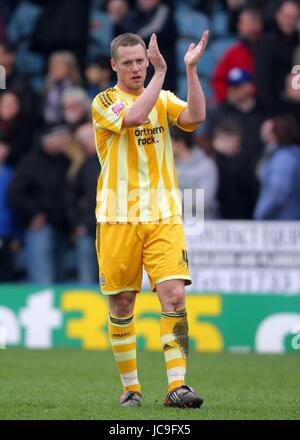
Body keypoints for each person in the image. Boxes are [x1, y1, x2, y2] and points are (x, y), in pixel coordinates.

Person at [92, 31, 208, 408]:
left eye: (141, 60)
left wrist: (189, 71)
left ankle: (177, 386)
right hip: (117, 217)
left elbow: (195, 116)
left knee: (174, 294)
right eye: (127, 62)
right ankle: (131, 389)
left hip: (163, 214)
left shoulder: (162, 98)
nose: (136, 67)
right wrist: (161, 72)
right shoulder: (104, 101)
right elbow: (135, 115)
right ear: (114, 65)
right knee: (123, 303)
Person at [65, 123, 100, 283]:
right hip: (89, 228)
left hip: (117, 228)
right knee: (87, 278)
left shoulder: (116, 158)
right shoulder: (85, 165)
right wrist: (77, 223)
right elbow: (70, 195)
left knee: (116, 279)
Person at [255, 0, 300, 116]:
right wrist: (270, 115)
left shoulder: (297, 43)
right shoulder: (267, 43)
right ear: (278, 16)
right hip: (273, 108)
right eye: (287, 16)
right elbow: (262, 81)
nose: (289, 21)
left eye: (294, 17)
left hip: (295, 105)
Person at [212, 5, 264, 103]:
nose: (239, 26)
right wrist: (229, 97)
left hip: (262, 106)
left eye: (243, 22)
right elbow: (218, 80)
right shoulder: (233, 52)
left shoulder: (269, 50)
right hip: (234, 108)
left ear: (257, 24)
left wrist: (252, 90)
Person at [254, 115, 300, 220]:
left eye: (269, 135)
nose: (266, 139)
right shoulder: (288, 155)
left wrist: (260, 213)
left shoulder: (284, 159)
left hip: (283, 221)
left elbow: (278, 192)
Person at [170, 126, 219, 220]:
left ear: (180, 143)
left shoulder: (207, 166)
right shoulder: (167, 165)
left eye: (169, 141)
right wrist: (191, 193)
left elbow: (204, 201)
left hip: (204, 228)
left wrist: (173, 195)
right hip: (174, 227)